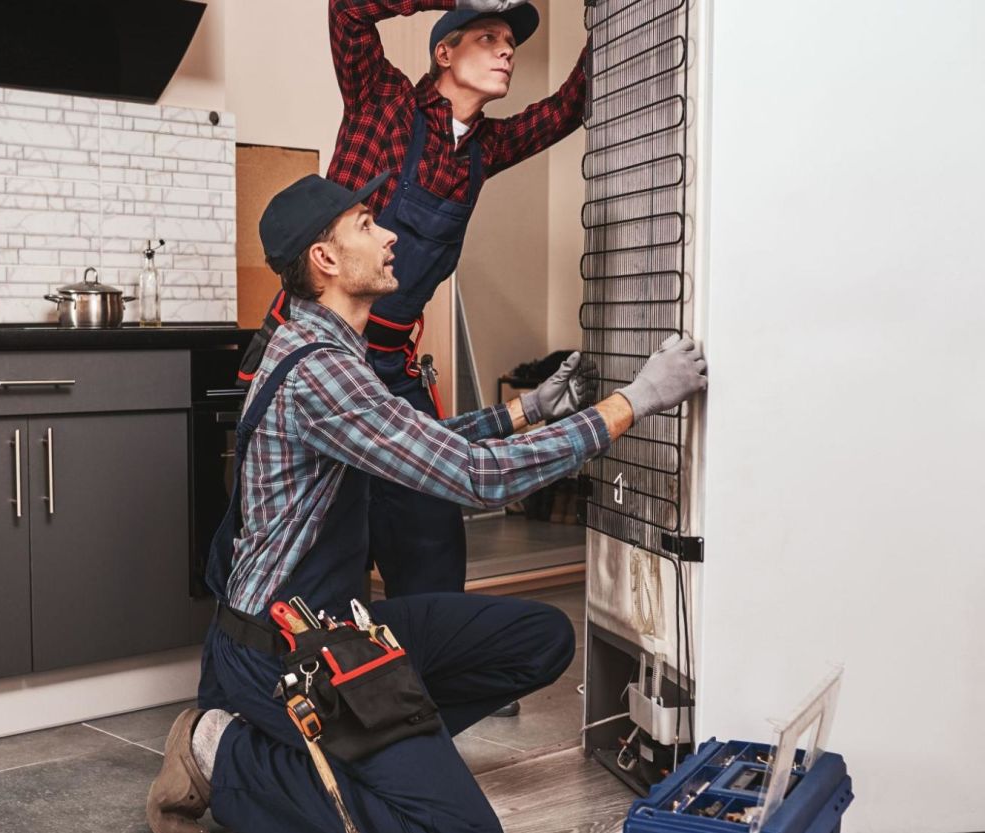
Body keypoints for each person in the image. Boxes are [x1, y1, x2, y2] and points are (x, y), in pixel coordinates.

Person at [146, 175, 707, 833]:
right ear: (324, 260)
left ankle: (379, 752)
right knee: (454, 827)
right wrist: (633, 401)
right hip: (280, 653)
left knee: (542, 638)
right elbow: (475, 477)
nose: (389, 236)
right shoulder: (320, 371)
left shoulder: (325, 350)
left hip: (340, 626)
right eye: (365, 224)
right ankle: (225, 751)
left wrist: (526, 410)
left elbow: (420, 446)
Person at [240, 0, 594, 603]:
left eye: (511, 42)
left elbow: (567, 109)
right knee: (320, 540)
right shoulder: (385, 102)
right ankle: (320, 679)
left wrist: (615, 22)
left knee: (431, 528)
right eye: (489, 36)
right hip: (320, 351)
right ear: (444, 52)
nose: (508, 51)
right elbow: (349, 10)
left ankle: (439, 663)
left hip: (391, 366)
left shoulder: (485, 150)